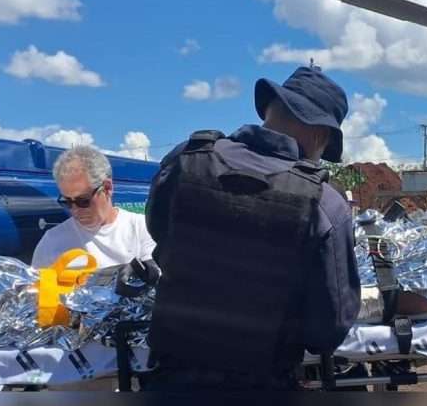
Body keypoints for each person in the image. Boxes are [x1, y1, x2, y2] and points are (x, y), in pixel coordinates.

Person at [143, 66, 362, 391]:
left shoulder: (185, 161)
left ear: (269, 109)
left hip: (170, 378)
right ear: (321, 136)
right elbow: (327, 331)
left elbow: (160, 232)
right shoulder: (325, 204)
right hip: (263, 382)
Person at [31, 146, 155, 269]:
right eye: (67, 202)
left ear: (107, 188)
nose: (75, 210)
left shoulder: (143, 229)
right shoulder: (52, 242)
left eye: (83, 201)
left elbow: (155, 275)